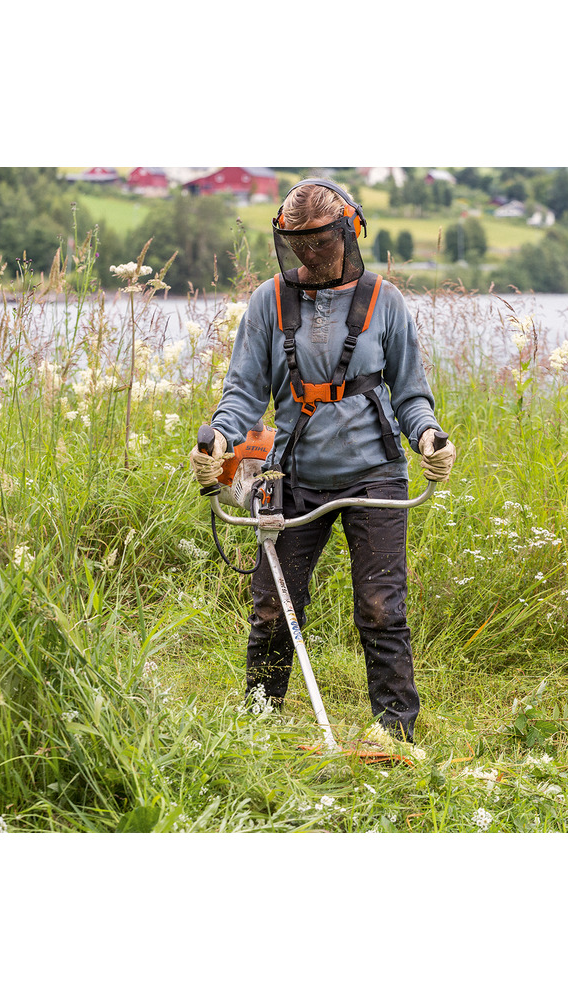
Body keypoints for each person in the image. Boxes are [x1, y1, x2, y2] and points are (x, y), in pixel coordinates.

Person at [189, 179, 456, 744]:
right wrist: (217, 441)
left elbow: (410, 395)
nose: (311, 256)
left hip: (375, 473)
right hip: (294, 474)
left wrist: (430, 437)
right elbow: (242, 394)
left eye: (322, 243)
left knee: (381, 607)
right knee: (271, 607)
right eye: (299, 245)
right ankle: (258, 726)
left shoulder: (385, 301)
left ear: (349, 232)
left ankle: (394, 735)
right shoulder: (269, 301)